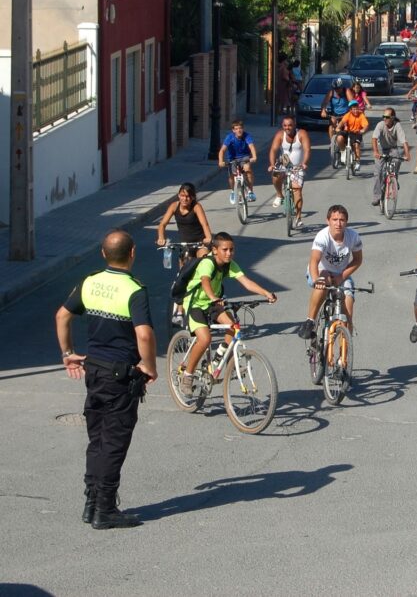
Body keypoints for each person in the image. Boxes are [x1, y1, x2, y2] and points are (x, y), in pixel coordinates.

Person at [55, 230, 156, 529]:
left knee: (97, 439)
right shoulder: (134, 289)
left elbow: (62, 316)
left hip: (95, 370)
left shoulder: (90, 282)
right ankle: (106, 510)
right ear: (133, 253)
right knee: (114, 441)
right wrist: (149, 365)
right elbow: (144, 333)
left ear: (103, 253)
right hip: (120, 373)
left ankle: (91, 502)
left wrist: (68, 353)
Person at [179, 232, 277, 394]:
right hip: (195, 304)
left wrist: (266, 293)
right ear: (215, 250)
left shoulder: (230, 264)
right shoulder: (207, 263)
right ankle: (188, 375)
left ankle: (218, 360)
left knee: (234, 327)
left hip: (213, 303)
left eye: (232, 250)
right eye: (225, 250)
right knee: (205, 339)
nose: (229, 253)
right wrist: (213, 297)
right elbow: (205, 281)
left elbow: (246, 282)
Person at [298, 204, 363, 338]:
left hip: (341, 274)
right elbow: (314, 261)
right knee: (324, 279)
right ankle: (310, 321)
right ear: (328, 221)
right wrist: (317, 280)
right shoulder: (322, 236)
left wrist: (342, 276)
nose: (338, 223)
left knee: (348, 308)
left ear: (346, 222)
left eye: (342, 220)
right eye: (334, 220)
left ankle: (344, 353)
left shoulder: (353, 236)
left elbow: (357, 260)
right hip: (321, 270)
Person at [267, 116, 311, 229]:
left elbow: (307, 150)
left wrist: (304, 163)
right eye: (285, 125)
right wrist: (272, 164)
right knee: (275, 175)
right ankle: (279, 195)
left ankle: (298, 218)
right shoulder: (280, 135)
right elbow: (273, 150)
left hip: (297, 166)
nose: (287, 128)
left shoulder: (301, 134)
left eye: (290, 125)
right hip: (284, 163)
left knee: (297, 190)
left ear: (294, 125)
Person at [155, 182, 213, 257]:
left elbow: (204, 224)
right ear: (178, 195)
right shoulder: (174, 206)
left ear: (192, 197)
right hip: (185, 245)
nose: (185, 199)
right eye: (182, 196)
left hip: (200, 244)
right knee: (184, 266)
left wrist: (208, 237)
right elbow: (162, 224)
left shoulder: (196, 207)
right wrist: (161, 237)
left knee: (203, 259)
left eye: (188, 196)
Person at [371, 107, 411, 207]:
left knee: (397, 160)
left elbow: (404, 141)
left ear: (392, 118)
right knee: (379, 172)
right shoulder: (380, 125)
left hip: (393, 149)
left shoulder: (397, 126)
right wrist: (376, 152)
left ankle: (394, 179)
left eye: (387, 117)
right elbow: (374, 139)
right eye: (383, 116)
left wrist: (407, 154)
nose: (385, 119)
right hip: (381, 150)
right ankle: (377, 196)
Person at [218, 119, 257, 204]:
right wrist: (221, 161)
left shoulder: (247, 136)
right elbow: (222, 150)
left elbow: (251, 146)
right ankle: (233, 191)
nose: (239, 130)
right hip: (232, 159)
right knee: (231, 176)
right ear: (233, 130)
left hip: (244, 157)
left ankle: (250, 191)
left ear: (243, 129)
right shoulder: (230, 137)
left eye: (240, 128)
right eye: (236, 129)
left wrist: (254, 156)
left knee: (248, 169)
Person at [336, 100, 369, 174]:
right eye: (353, 109)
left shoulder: (361, 115)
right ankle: (343, 152)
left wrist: (363, 130)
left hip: (357, 133)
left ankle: (357, 162)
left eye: (357, 108)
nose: (355, 110)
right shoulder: (348, 114)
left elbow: (366, 125)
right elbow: (342, 122)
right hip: (347, 132)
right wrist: (338, 127)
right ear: (350, 110)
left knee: (356, 145)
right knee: (339, 138)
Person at [320, 78, 354, 142]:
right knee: (331, 124)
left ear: (342, 87)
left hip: (346, 113)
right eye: (335, 88)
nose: (337, 90)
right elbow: (324, 103)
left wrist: (352, 110)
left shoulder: (346, 91)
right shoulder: (331, 92)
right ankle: (332, 143)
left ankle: (351, 140)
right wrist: (323, 110)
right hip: (335, 114)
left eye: (339, 88)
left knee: (348, 126)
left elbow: (352, 102)